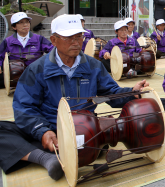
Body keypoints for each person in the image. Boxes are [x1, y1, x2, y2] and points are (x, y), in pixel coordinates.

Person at [0, 14, 148, 180]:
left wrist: (132, 91)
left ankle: (76, 149)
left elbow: (111, 93)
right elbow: (24, 106)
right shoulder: (37, 69)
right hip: (52, 130)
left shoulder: (94, 66)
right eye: (69, 37)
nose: (76, 42)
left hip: (87, 130)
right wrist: (43, 131)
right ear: (54, 40)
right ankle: (46, 158)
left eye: (79, 37)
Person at [0, 12, 53, 88]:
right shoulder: (7, 41)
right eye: (21, 22)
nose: (25, 25)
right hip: (16, 73)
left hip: (36, 72)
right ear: (14, 27)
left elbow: (53, 51)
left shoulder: (39, 39)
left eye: (27, 22)